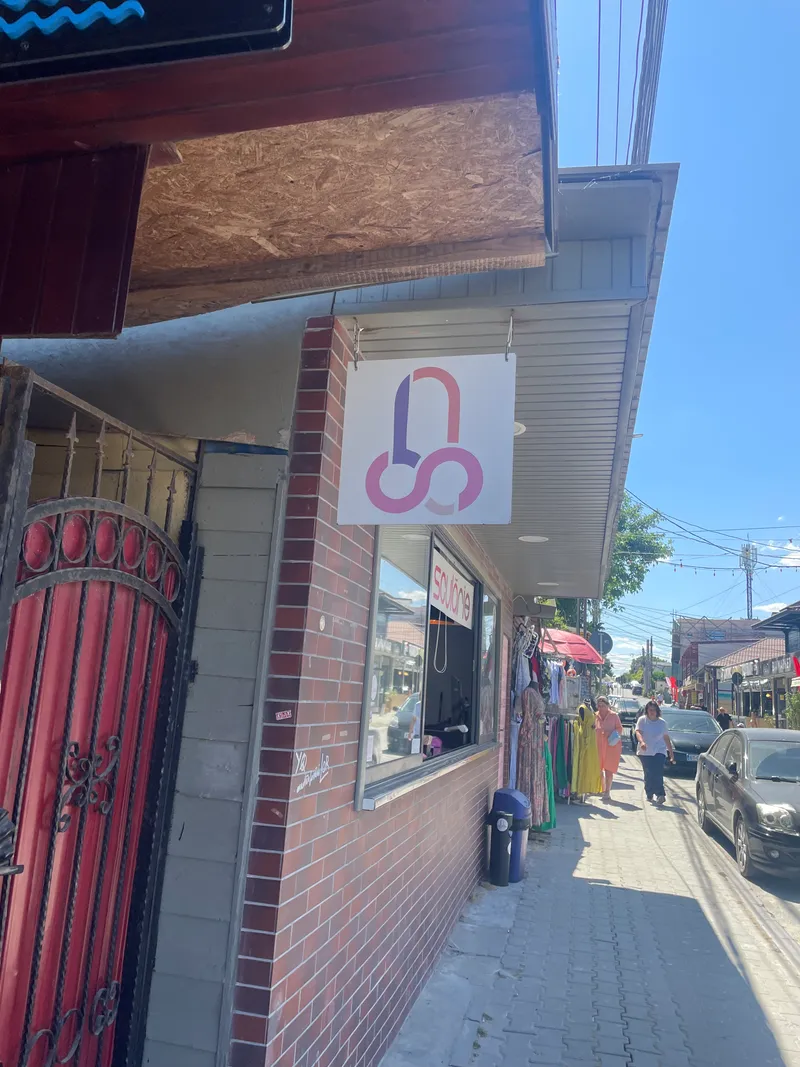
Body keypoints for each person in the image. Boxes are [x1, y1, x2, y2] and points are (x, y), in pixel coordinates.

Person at [635, 700, 675, 806]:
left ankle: (660, 794)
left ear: (657, 711)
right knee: (649, 773)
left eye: (654, 710)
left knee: (657, 772)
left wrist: (671, 753)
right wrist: (642, 742)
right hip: (645, 751)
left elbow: (666, 738)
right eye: (650, 710)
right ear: (647, 711)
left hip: (659, 751)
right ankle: (649, 793)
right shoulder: (642, 720)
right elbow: (638, 732)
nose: (652, 712)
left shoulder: (662, 723)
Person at [594, 696, 623, 802]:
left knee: (608, 770)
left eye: (603, 706)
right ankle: (601, 789)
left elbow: (620, 729)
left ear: (607, 705)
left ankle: (607, 792)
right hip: (598, 746)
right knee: (598, 769)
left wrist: (611, 734)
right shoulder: (595, 715)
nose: (601, 708)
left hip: (611, 747)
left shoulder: (614, 716)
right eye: (599, 706)